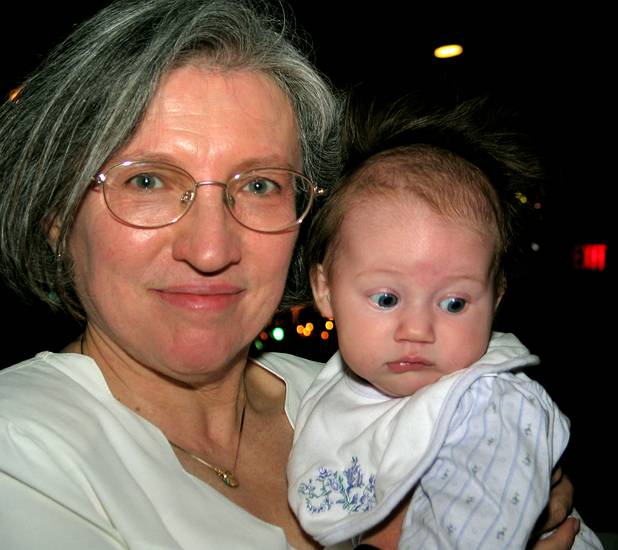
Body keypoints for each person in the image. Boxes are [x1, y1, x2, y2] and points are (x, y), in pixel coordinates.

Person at [0, 0, 578, 548]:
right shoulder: (20, 447)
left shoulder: (369, 395)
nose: (209, 249)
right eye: (147, 181)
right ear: (56, 214)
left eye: (259, 185)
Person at [287, 95, 602, 549]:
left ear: (496, 299)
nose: (417, 329)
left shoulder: (489, 406)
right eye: (386, 298)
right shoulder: (334, 392)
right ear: (324, 291)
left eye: (454, 303)